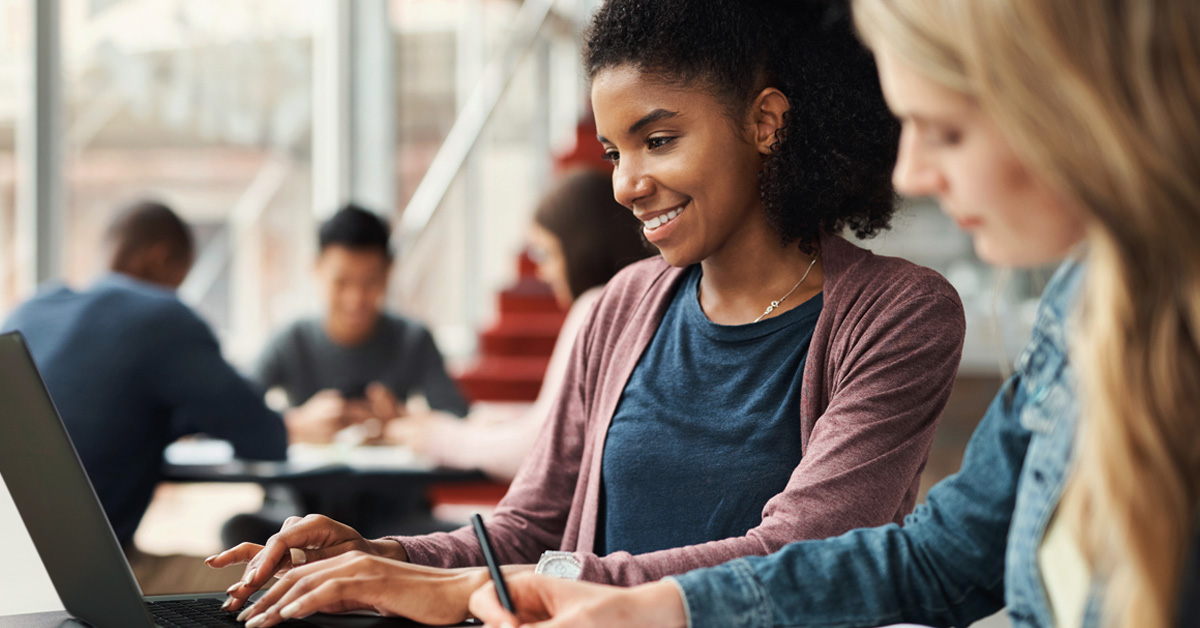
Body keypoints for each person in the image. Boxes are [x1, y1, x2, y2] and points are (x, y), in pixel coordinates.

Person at [208, 1, 968, 624]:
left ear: (765, 121)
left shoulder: (899, 315)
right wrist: (384, 558)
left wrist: (507, 589)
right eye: (612, 152)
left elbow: (797, 556)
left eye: (657, 140)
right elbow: (532, 525)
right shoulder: (621, 307)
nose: (626, 184)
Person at [466, 0, 1200, 627]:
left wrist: (594, 588)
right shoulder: (1084, 314)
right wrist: (659, 606)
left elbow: (819, 545)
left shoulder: (899, 312)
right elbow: (937, 558)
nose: (911, 171)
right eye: (612, 151)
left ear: (1084, 113)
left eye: (944, 129)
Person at [0, 200, 297, 594]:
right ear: (162, 258)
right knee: (294, 582)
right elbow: (265, 439)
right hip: (82, 583)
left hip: (10, 576)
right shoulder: (161, 316)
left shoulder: (29, 310)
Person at [388, 167, 652, 481]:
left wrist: (436, 437)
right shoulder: (637, 301)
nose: (542, 272)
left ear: (583, 247)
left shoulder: (596, 304)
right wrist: (484, 421)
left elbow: (541, 448)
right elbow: (560, 422)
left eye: (547, 253)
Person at [253, 204, 469, 440]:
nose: (355, 299)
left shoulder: (414, 338)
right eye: (341, 282)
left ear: (389, 272)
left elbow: (458, 420)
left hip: (391, 475)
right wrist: (297, 423)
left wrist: (400, 418)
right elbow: (234, 411)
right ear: (317, 269)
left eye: (370, 282)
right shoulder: (291, 340)